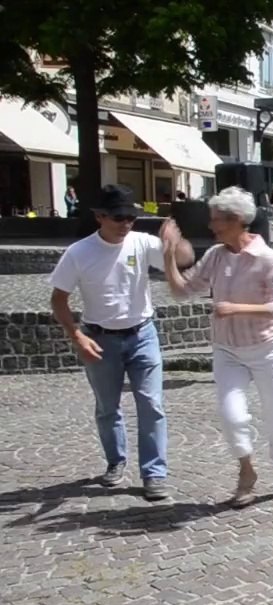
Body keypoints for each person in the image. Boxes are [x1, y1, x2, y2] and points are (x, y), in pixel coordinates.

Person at [162, 187, 273, 508]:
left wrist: (237, 308)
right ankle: (247, 472)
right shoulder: (215, 255)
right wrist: (169, 255)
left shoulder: (270, 260)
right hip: (228, 350)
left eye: (217, 221)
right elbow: (183, 290)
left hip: (267, 348)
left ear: (237, 221)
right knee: (231, 416)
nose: (211, 226)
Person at [48, 184, 187, 501]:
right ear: (99, 216)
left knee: (151, 405)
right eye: (119, 217)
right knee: (107, 408)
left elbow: (185, 258)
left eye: (131, 217)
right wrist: (77, 336)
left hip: (142, 334)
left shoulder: (140, 242)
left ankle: (154, 473)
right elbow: (58, 299)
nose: (126, 224)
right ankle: (116, 461)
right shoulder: (79, 253)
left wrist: (174, 244)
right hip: (99, 339)